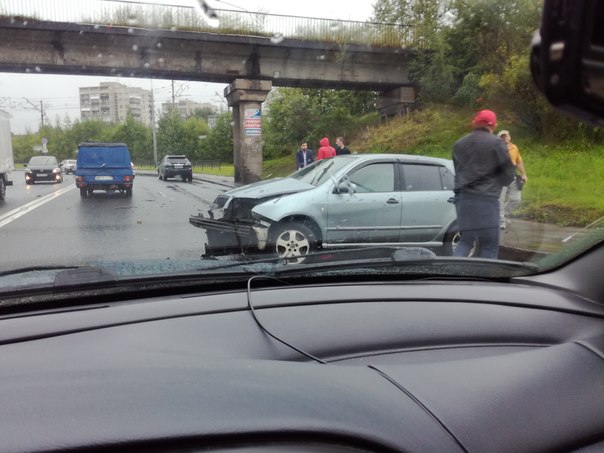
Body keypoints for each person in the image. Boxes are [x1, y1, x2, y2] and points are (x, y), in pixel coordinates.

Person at [452, 110, 516, 259]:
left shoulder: (459, 144)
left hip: (463, 200)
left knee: (466, 241)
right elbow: (508, 176)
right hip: (486, 201)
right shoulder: (497, 144)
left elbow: (458, 170)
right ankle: (486, 279)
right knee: (489, 244)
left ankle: (453, 274)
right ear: (493, 125)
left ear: (475, 123)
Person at [497, 130, 528, 229]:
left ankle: (503, 215)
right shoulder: (496, 148)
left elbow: (519, 162)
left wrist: (523, 174)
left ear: (510, 137)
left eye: (507, 136)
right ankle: (501, 221)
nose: (505, 137)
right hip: (500, 177)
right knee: (500, 200)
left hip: (512, 176)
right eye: (502, 136)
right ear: (499, 138)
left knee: (516, 199)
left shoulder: (514, 147)